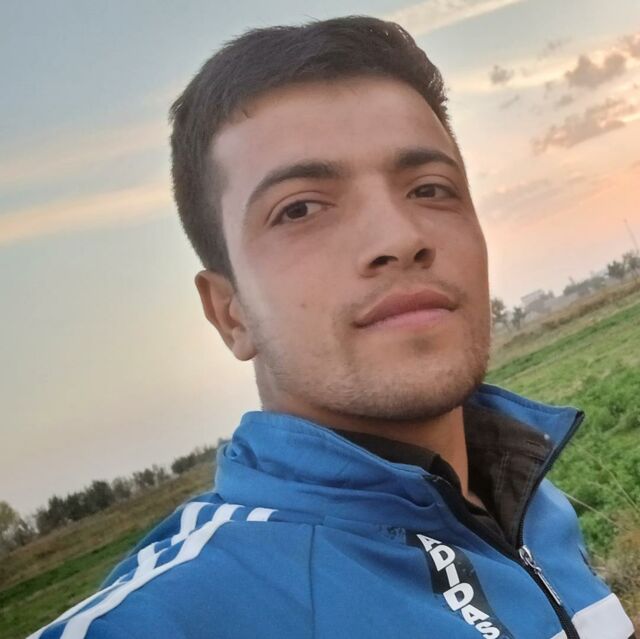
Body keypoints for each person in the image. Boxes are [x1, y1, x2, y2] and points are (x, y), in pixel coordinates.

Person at [30, 15, 634, 639]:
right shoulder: (185, 615)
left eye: (430, 189)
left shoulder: (526, 502)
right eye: (300, 209)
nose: (399, 236)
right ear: (230, 312)